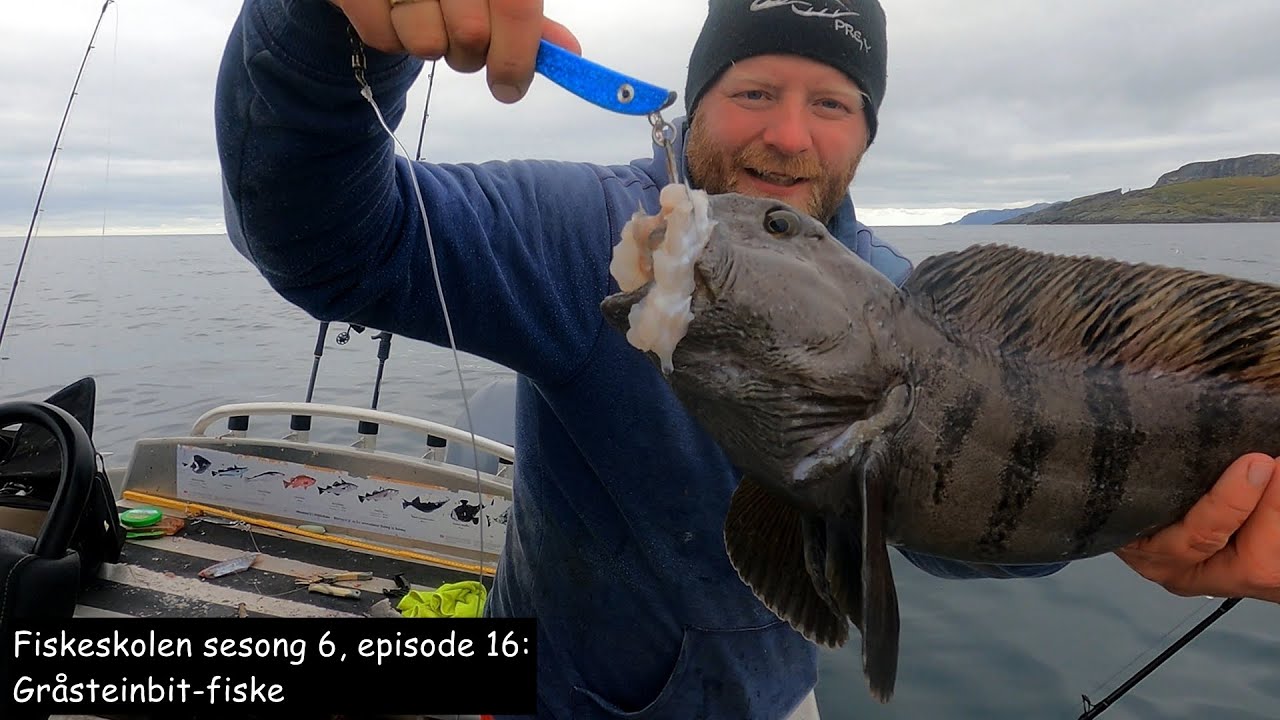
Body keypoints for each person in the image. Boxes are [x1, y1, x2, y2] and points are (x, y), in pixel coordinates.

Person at [214, 0, 1280, 716]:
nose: (788, 135)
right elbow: (331, 241)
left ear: (865, 132)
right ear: (692, 99)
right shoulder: (586, 228)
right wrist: (319, 35)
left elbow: (943, 538)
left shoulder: (904, 293)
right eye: (753, 91)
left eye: (830, 103)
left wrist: (1145, 530)